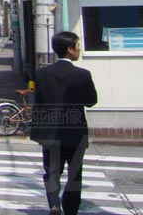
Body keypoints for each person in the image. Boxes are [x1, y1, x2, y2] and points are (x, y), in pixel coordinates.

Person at [30, 31, 98, 215]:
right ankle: (71, 210)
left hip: (50, 132)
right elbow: (91, 100)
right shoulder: (83, 75)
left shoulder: (42, 74)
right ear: (69, 49)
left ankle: (54, 204)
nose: (80, 50)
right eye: (77, 46)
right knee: (74, 175)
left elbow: (40, 103)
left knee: (52, 172)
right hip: (75, 133)